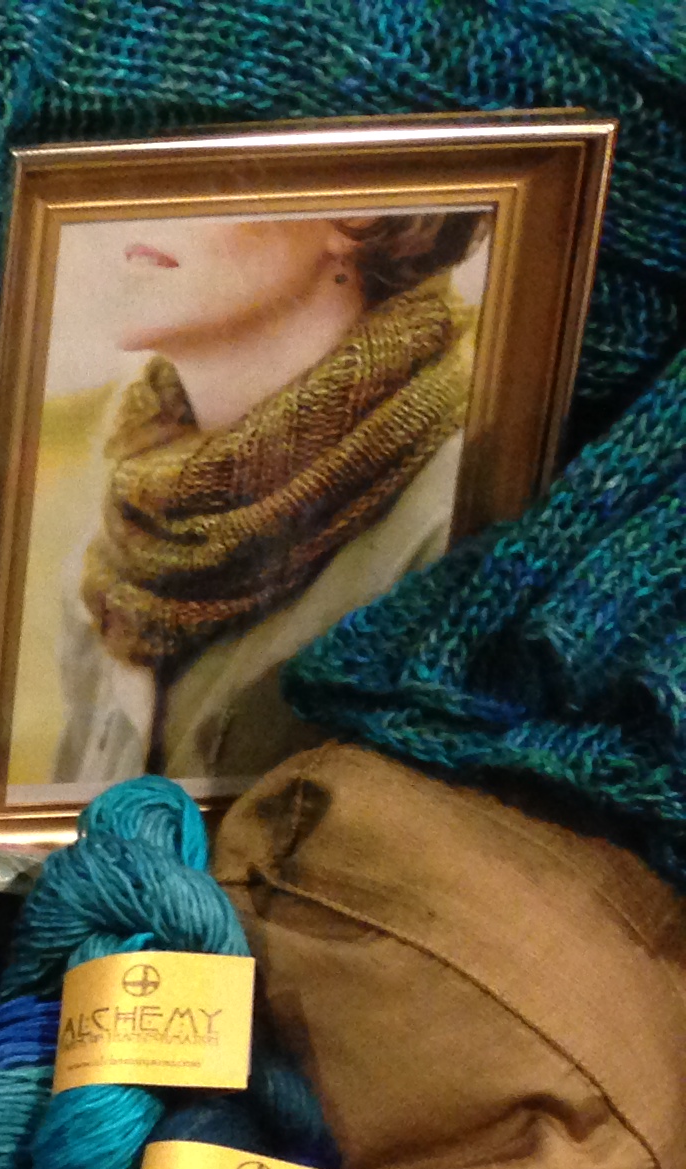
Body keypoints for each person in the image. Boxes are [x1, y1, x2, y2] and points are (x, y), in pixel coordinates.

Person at [47, 210, 485, 792]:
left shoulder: (459, 523)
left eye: (199, 170)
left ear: (358, 214)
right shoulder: (122, 541)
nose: (131, 204)